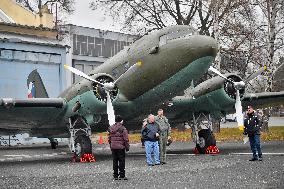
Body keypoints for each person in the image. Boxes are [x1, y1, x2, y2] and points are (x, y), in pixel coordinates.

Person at [108, 115, 130, 180]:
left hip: (113, 147)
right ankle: (122, 175)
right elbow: (126, 139)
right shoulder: (123, 128)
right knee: (121, 161)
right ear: (121, 121)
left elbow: (109, 138)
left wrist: (111, 145)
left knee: (115, 161)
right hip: (121, 148)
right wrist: (127, 147)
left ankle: (115, 176)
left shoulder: (111, 128)